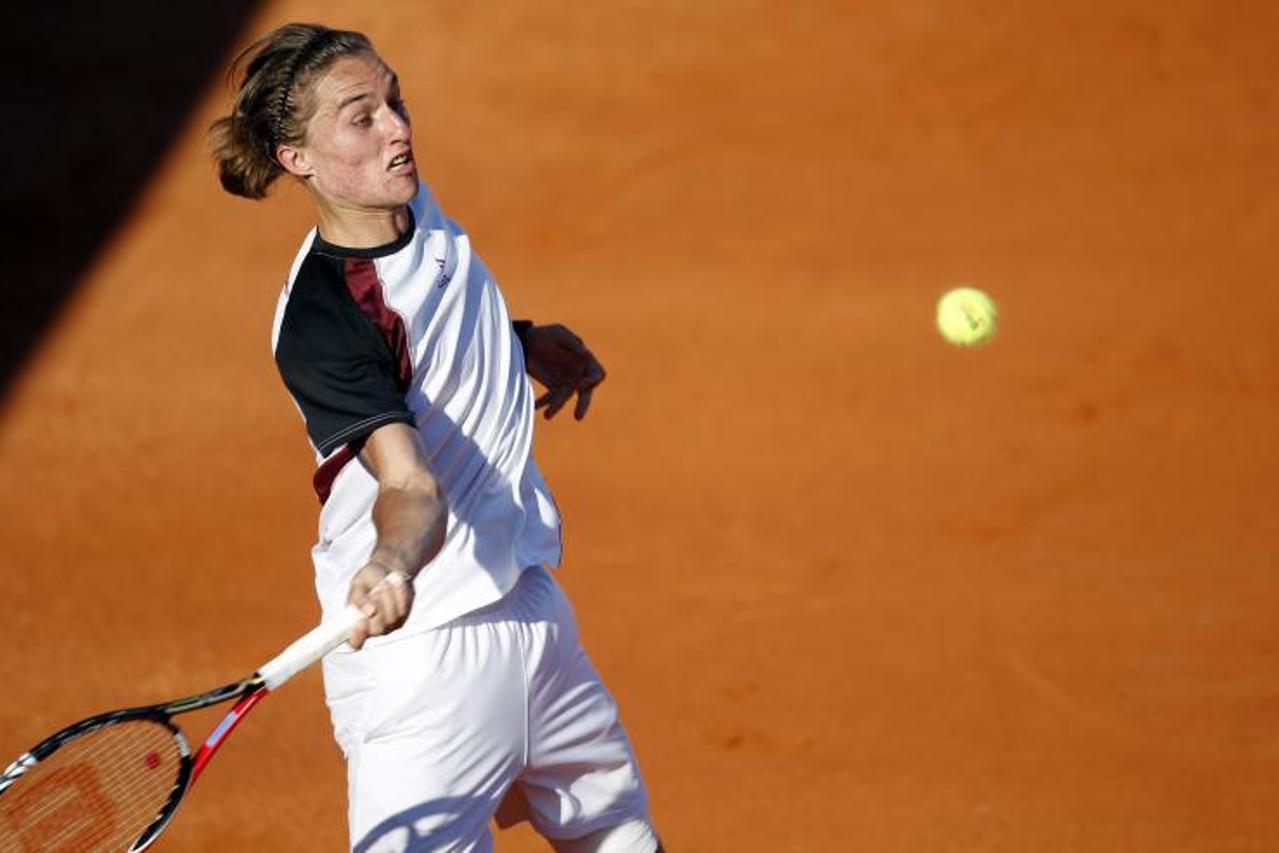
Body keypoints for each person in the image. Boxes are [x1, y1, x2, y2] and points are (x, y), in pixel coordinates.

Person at [208, 23, 661, 853]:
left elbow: (430, 326)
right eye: (361, 117)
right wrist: (389, 565)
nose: (398, 128)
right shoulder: (324, 322)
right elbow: (409, 483)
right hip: (422, 659)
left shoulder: (405, 202)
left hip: (533, 614)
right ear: (296, 157)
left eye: (394, 100)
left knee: (621, 837)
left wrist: (519, 339)